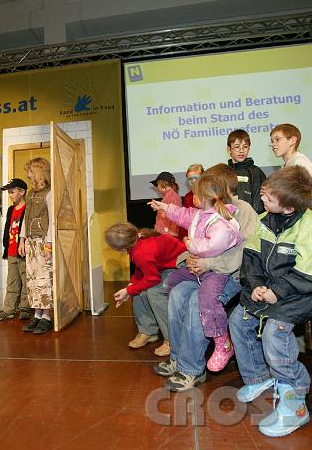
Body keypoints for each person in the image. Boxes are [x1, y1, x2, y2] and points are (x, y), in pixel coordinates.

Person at [230, 166, 312, 437]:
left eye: (268, 197)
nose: (262, 198)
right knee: (239, 319)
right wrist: (256, 285)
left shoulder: (311, 226)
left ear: (288, 207)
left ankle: (295, 404)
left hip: (304, 289)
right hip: (271, 287)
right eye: (264, 193)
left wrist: (277, 291)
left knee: (274, 332)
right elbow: (252, 259)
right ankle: (258, 377)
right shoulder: (264, 220)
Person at [153, 163, 258, 390]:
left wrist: (207, 263)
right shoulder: (205, 211)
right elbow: (196, 238)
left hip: (229, 275)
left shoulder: (243, 210)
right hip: (201, 272)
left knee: (196, 301)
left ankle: (191, 369)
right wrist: (190, 260)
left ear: (220, 188)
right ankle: (178, 357)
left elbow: (244, 253)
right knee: (178, 293)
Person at [105, 223, 187, 356]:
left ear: (121, 249)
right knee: (138, 290)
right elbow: (141, 270)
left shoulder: (141, 251)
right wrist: (130, 287)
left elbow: (152, 279)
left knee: (154, 292)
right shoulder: (136, 242)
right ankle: (147, 331)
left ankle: (172, 339)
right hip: (167, 266)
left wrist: (128, 291)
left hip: (183, 265)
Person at [20, 157, 55, 334]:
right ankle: (37, 314)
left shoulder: (49, 193)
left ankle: (46, 316)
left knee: (44, 279)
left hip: (42, 241)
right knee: (32, 280)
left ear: (39, 172)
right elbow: (25, 219)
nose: (27, 175)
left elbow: (52, 220)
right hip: (31, 241)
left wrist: (49, 244)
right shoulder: (31, 194)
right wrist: (22, 239)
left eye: (30, 171)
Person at [0, 178, 31, 322]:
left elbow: (27, 229)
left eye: (12, 192)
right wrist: (6, 246)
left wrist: (25, 244)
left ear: (22, 192)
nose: (10, 195)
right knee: (12, 281)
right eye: (9, 192)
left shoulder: (28, 208)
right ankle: (9, 308)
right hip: (12, 250)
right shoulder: (10, 209)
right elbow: (8, 228)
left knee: (26, 279)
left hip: (23, 251)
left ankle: (25, 307)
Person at [270, 123, 312, 209]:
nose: (273, 144)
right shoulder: (285, 166)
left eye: (277, 139)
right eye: (272, 141)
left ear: (293, 140)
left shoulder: (299, 162)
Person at [227, 129, 267, 213]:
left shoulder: (256, 172)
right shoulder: (224, 172)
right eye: (237, 147)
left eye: (245, 147)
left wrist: (252, 216)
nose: (241, 150)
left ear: (249, 149)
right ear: (229, 149)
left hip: (251, 217)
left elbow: (259, 203)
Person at [150, 171, 182, 237]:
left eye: (157, 184)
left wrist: (172, 235)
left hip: (168, 237)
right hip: (164, 235)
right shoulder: (168, 196)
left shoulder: (173, 196)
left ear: (162, 184)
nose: (157, 187)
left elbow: (175, 218)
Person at [178, 164, 204, 238]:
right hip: (192, 235)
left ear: (203, 177)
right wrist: (184, 238)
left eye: (196, 178)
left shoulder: (209, 194)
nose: (193, 181)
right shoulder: (188, 197)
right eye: (190, 179)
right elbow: (184, 219)